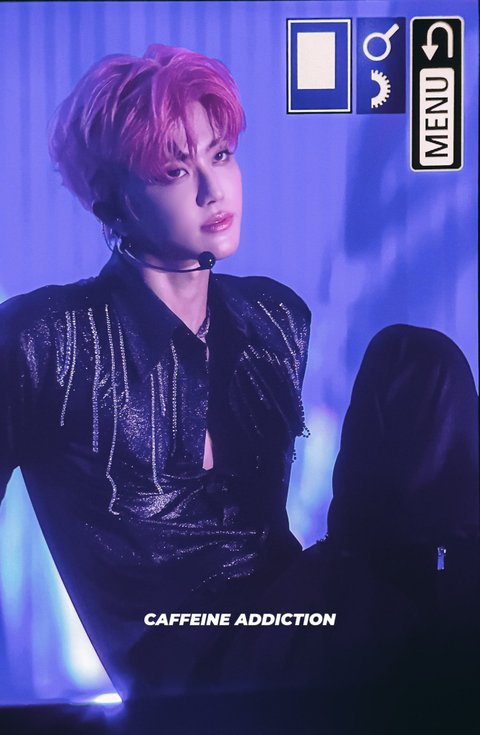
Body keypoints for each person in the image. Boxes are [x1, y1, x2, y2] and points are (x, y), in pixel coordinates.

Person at [0, 44, 310, 700]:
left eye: (219, 155)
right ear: (113, 204)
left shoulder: (276, 319)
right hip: (188, 681)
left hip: (301, 638)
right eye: (174, 170)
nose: (212, 190)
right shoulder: (44, 342)